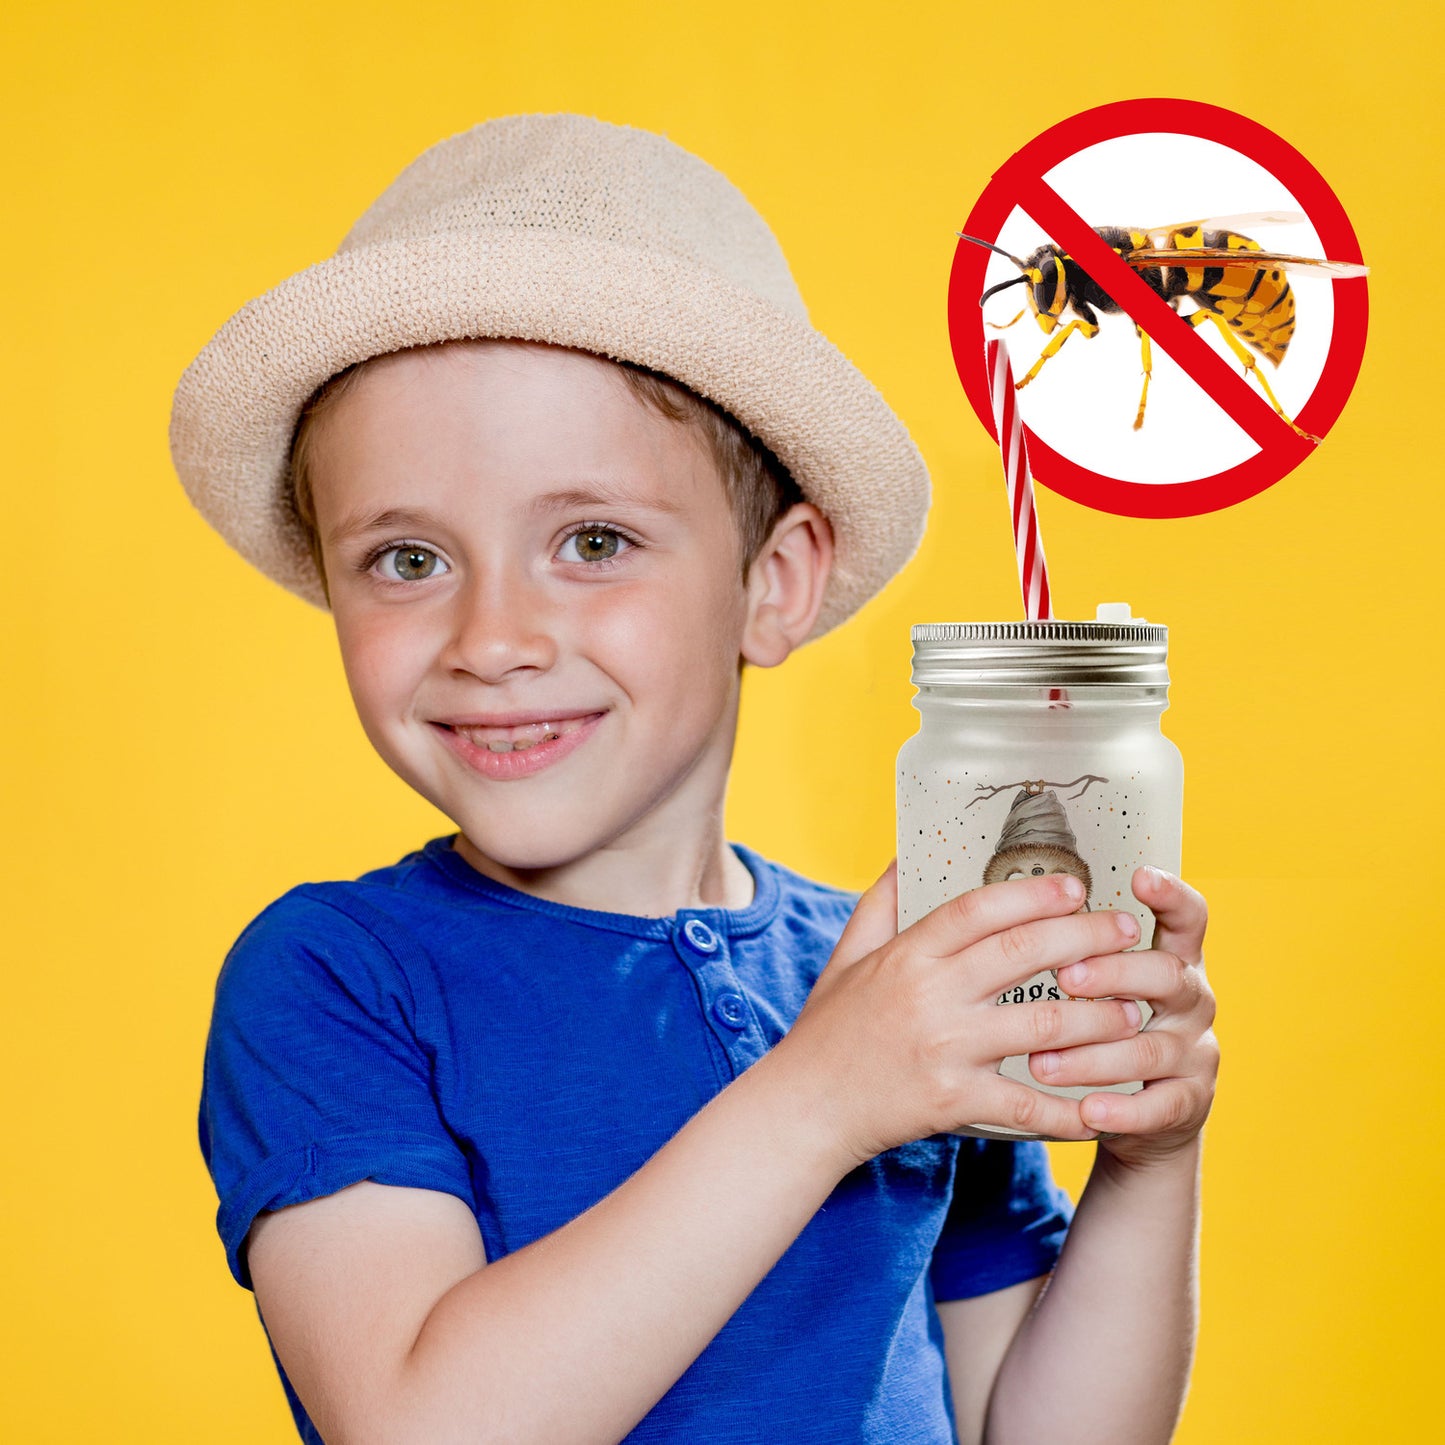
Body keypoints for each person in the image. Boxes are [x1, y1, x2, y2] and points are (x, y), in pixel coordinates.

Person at [174, 114, 1218, 1445]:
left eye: (592, 539)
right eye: (407, 559)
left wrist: (1145, 1155)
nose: (492, 639)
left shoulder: (886, 982)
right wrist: (828, 1093)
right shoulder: (335, 975)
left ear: (769, 584)